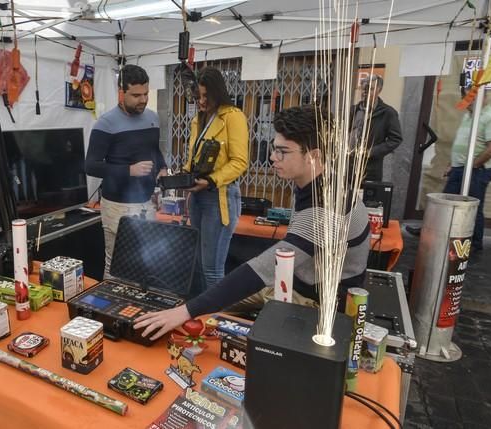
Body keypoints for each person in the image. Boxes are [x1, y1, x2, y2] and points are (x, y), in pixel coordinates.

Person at [135, 106, 370, 340]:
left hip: (319, 304)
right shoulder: (314, 186)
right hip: (295, 284)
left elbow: (265, 268)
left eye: (282, 152)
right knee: (209, 306)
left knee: (210, 315)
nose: (272, 158)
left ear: (314, 156)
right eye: (273, 149)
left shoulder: (328, 209)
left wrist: (184, 312)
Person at [85, 64, 167, 278]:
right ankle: (110, 308)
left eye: (146, 94)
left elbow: (154, 150)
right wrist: (128, 170)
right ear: (121, 93)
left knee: (147, 262)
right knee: (117, 265)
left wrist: (163, 167)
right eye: (136, 95)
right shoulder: (106, 123)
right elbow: (91, 165)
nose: (143, 100)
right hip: (117, 206)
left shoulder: (152, 117)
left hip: (147, 203)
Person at [184, 67, 249, 290]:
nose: (201, 101)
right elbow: (194, 157)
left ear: (217, 93)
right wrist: (184, 176)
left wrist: (211, 180)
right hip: (198, 197)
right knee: (202, 265)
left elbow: (240, 161)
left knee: (212, 268)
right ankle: (205, 314)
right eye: (198, 96)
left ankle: (216, 319)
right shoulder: (198, 120)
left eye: (205, 96)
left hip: (219, 196)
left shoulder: (233, 117)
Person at [443, 90, 491, 251]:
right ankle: (440, 233)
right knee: (447, 202)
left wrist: (473, 165)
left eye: (471, 98)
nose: (467, 101)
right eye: (465, 98)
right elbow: (461, 142)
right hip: (459, 167)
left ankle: (475, 244)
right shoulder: (469, 114)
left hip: (478, 170)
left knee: (473, 207)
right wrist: (451, 163)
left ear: (482, 97)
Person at [350, 74, 402, 181]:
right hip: (349, 167)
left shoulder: (388, 113)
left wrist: (371, 152)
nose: (365, 92)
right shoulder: (353, 110)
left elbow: (395, 139)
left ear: (379, 90)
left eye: (370, 89)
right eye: (363, 88)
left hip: (370, 169)